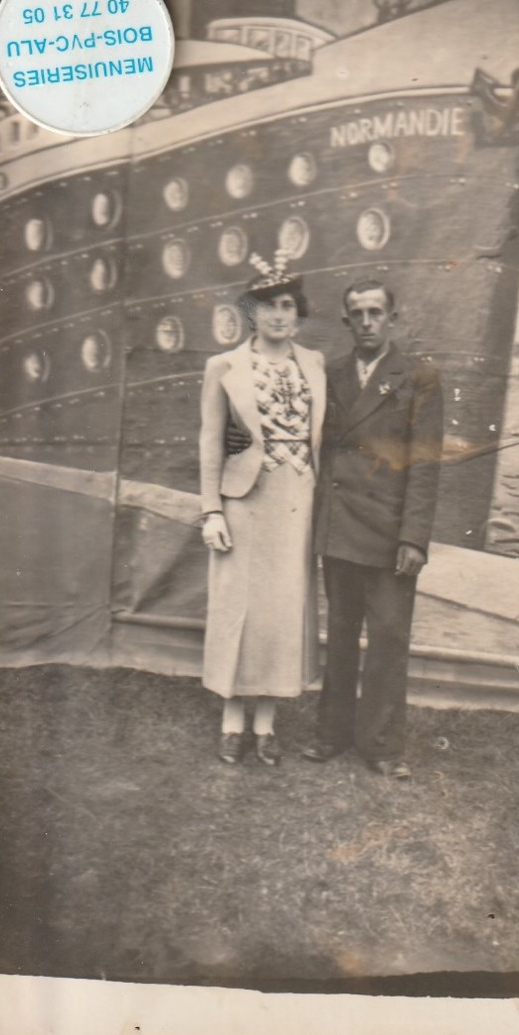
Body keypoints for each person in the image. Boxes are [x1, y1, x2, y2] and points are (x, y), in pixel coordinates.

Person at [303, 278, 444, 779]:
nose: (366, 322)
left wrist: (413, 538)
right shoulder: (331, 373)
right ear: (346, 321)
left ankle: (382, 745)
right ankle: (331, 733)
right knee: (339, 634)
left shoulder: (418, 378)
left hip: (389, 535)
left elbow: (425, 465)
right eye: (357, 313)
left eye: (376, 313)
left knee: (387, 637)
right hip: (340, 527)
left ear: (392, 319)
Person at [199, 256, 326, 766]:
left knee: (281, 608)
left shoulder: (314, 363)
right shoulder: (223, 366)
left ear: (298, 312)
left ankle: (267, 724)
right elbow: (212, 442)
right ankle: (232, 722)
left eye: (287, 305)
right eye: (267, 306)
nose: (278, 315)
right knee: (237, 607)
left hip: (299, 497)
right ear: (250, 312)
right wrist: (211, 510)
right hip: (244, 498)